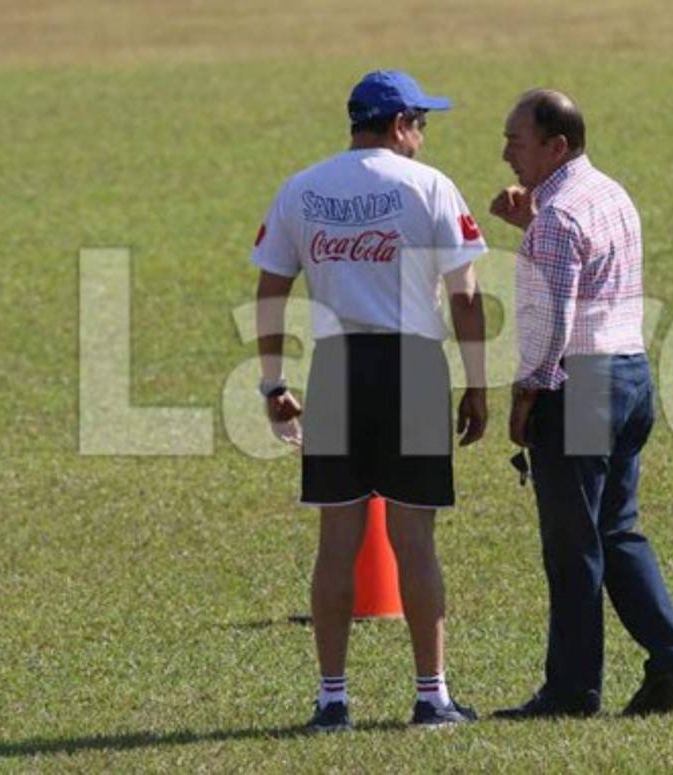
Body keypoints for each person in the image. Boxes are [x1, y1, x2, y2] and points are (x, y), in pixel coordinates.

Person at [250, 70, 488, 731]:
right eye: (422, 124)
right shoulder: (430, 185)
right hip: (413, 366)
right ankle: (431, 695)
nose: (422, 137)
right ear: (400, 122)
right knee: (415, 540)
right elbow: (465, 295)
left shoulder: (303, 186)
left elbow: (271, 290)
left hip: (335, 367)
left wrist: (273, 381)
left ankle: (332, 700)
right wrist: (476, 382)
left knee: (336, 541)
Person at [489, 89, 673, 718]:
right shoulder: (608, 193)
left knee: (573, 545)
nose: (505, 154)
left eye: (516, 141)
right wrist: (530, 228)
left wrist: (527, 395)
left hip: (579, 384)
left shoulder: (557, 219)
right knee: (617, 531)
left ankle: (571, 690)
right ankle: (670, 659)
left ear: (556, 146)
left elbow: (551, 320)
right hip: (630, 375)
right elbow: (588, 267)